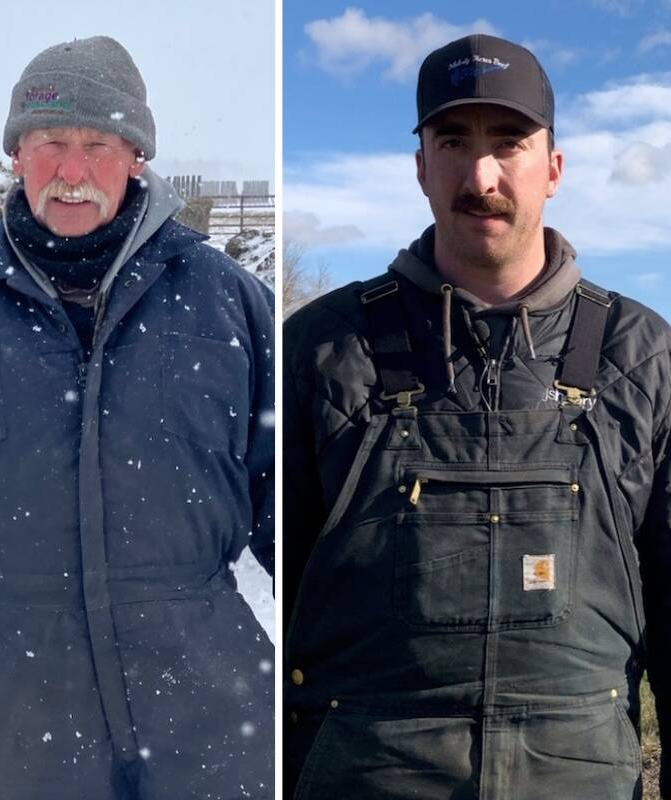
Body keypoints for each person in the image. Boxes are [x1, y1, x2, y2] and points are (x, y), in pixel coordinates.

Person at [0, 35, 274, 800]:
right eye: (52, 142)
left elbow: (293, 495)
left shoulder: (225, 301)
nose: (73, 171)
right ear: (17, 155)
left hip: (208, 710)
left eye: (98, 145)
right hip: (14, 710)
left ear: (137, 159)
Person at [284, 33, 671, 797]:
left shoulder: (644, 356)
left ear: (553, 168)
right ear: (421, 165)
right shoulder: (324, 349)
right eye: (454, 141)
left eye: (510, 142)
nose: (481, 174)